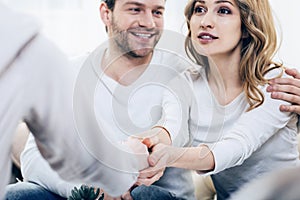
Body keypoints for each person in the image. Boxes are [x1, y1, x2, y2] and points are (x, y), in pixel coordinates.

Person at [5, 0, 196, 199]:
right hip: (89, 194)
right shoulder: (72, 73)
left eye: (157, 12)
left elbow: (179, 125)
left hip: (155, 194)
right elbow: (34, 157)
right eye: (135, 9)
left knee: (143, 194)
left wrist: (154, 148)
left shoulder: (179, 71)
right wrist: (91, 190)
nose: (149, 22)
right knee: (17, 195)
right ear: (106, 13)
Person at [139, 0, 300, 199]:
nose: (205, 21)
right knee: (145, 194)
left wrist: (170, 155)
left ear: (247, 26)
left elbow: (236, 146)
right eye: (200, 9)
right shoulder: (185, 83)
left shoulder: (277, 83)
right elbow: (171, 127)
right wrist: (149, 141)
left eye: (223, 10)